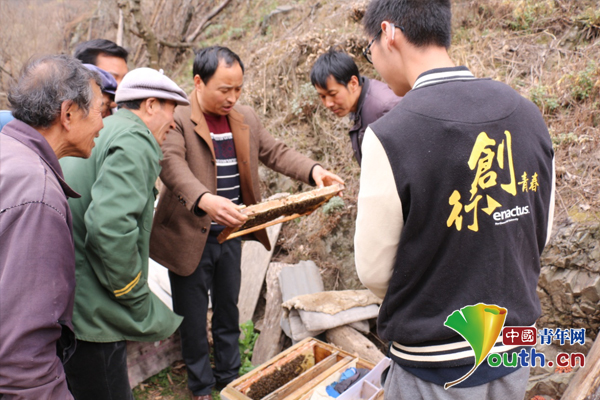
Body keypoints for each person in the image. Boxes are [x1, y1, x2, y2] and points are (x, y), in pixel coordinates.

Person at [354, 1, 555, 399]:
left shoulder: (390, 135)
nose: (372, 59)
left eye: (368, 47)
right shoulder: (528, 114)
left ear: (389, 33)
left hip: (433, 362)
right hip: (511, 350)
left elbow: (374, 271)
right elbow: (539, 231)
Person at [149, 46, 344, 400]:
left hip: (231, 232)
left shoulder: (245, 118)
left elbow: (275, 152)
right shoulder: (177, 117)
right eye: (225, 89)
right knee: (192, 319)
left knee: (228, 311)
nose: (232, 97)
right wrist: (206, 200)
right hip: (189, 234)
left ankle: (229, 378)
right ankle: (201, 387)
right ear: (198, 81)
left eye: (238, 89)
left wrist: (314, 171)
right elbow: (171, 165)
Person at [60, 68, 189, 400]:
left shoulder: (105, 130)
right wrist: (133, 293)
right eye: (171, 111)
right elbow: (108, 228)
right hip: (96, 311)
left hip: (70, 302)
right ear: (149, 105)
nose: (174, 123)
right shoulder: (135, 140)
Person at [0, 55, 104, 399]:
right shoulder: (37, 193)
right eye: (101, 111)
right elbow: (23, 356)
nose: (103, 125)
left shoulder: (7, 152)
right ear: (69, 113)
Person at [310, 48, 401, 165]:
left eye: (333, 94)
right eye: (322, 96)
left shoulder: (384, 108)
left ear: (353, 83)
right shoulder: (359, 105)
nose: (328, 104)